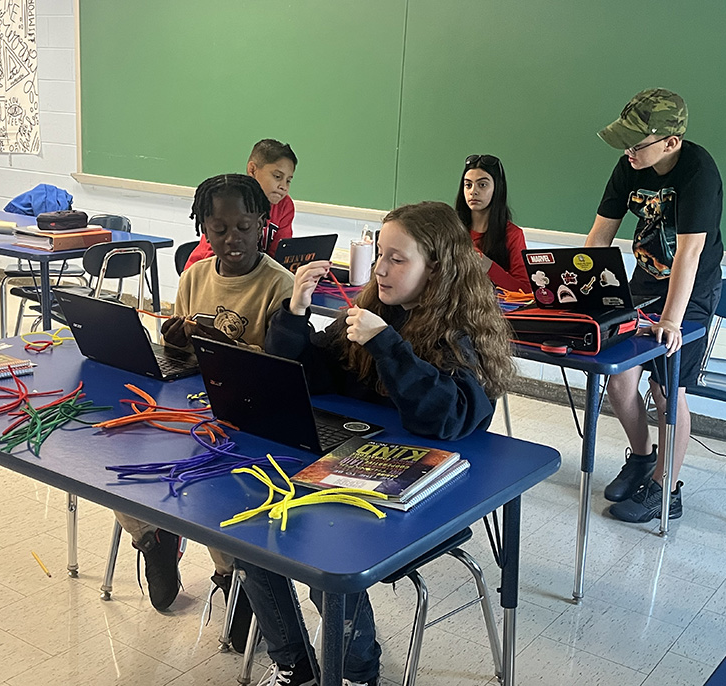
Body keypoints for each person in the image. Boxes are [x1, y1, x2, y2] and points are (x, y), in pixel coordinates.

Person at [236, 201, 515, 686]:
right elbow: (311, 377)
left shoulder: (456, 332)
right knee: (248, 535)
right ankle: (294, 663)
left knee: (324, 550)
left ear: (438, 267)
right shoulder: (374, 309)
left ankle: (355, 672)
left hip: (422, 493)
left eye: (397, 258)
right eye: (379, 254)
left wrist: (387, 343)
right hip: (350, 462)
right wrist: (295, 315)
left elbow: (444, 420)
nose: (380, 269)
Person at [113, 174, 294, 651]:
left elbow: (281, 367)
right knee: (117, 470)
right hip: (188, 404)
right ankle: (153, 539)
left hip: (244, 415)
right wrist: (177, 338)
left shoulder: (280, 284)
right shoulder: (195, 276)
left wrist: (219, 347)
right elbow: (184, 350)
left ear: (262, 224)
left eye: (242, 226)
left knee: (218, 494)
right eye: (218, 228)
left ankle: (230, 575)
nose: (231, 239)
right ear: (203, 229)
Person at [585, 88, 724, 522]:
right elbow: (599, 236)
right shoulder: (630, 166)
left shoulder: (698, 171)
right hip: (643, 282)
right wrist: (583, 298)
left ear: (671, 142)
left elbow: (690, 253)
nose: (628, 151)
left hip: (691, 290)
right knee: (621, 380)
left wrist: (670, 321)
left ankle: (667, 489)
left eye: (638, 143)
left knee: (667, 390)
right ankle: (643, 459)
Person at [184, 139, 297, 268]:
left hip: (255, 275)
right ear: (252, 170)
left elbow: (279, 255)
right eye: (277, 176)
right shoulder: (230, 201)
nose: (283, 186)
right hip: (210, 273)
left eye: (288, 180)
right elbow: (217, 255)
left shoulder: (285, 205)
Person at [455, 154, 531, 293]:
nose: (473, 191)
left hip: (494, 311)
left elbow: (524, 291)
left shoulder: (512, 234)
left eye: (482, 185)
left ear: (497, 189)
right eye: (468, 185)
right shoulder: (452, 229)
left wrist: (486, 264)